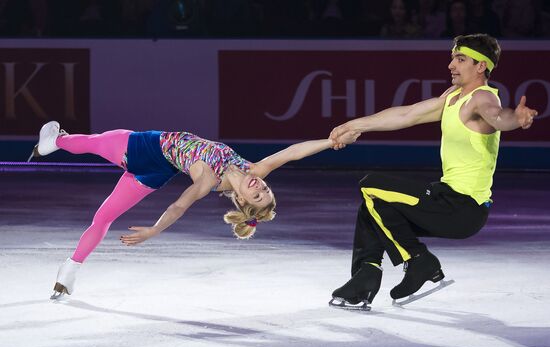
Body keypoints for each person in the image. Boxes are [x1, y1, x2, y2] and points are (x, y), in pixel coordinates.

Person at [328, 33, 538, 309]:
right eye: (453, 57)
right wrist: (354, 125)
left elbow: (498, 116)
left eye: (460, 59)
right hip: (446, 199)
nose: (451, 64)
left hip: (461, 208)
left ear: (481, 66)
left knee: (371, 185)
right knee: (372, 208)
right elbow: (408, 114)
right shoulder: (453, 98)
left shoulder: (481, 98)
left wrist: (516, 118)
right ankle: (365, 278)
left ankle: (419, 260)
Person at [30, 123, 335, 299]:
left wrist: (153, 231)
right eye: (265, 189)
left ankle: (53, 141)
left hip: (143, 149)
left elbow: (179, 205)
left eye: (257, 196)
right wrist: (331, 141)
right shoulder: (254, 169)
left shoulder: (208, 180)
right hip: (155, 173)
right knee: (103, 216)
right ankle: (68, 273)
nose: (260, 187)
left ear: (242, 201)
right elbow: (294, 152)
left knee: (89, 144)